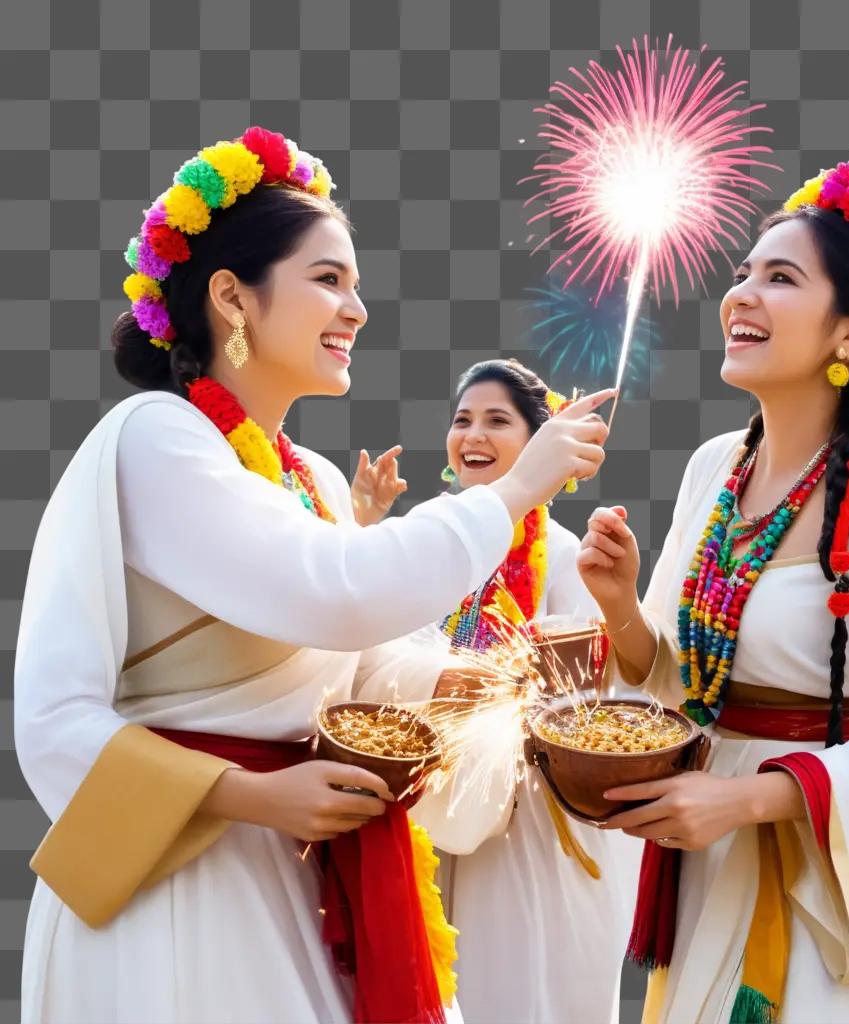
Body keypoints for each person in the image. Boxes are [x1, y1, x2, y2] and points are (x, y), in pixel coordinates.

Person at [14, 127, 613, 1024]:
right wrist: (522, 487)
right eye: (328, 279)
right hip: (184, 882)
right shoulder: (156, 438)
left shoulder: (312, 478)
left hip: (300, 865)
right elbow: (335, 590)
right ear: (232, 297)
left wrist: (474, 686)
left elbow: (357, 659)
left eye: (356, 284)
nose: (357, 310)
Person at [577, 164, 849, 1022]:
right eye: (742, 274)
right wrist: (622, 607)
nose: (742, 295)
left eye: (780, 278)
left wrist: (745, 798)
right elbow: (680, 684)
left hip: (833, 869)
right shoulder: (714, 470)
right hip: (708, 849)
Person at [412, 359, 642, 1024]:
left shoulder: (573, 557)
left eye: (496, 421)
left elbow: (608, 693)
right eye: (462, 420)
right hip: (437, 799)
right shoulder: (430, 532)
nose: (473, 435)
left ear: (539, 444)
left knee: (523, 989)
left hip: (538, 819)